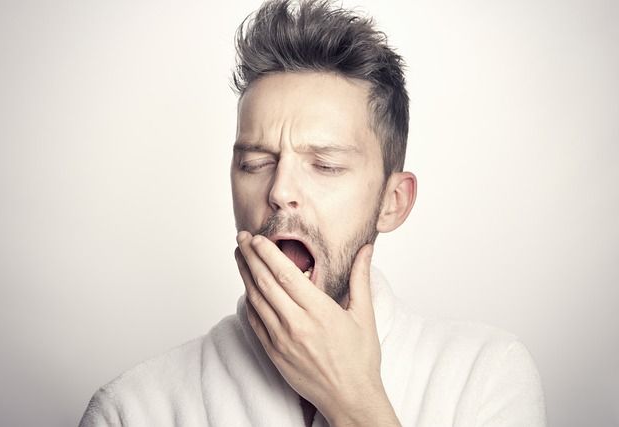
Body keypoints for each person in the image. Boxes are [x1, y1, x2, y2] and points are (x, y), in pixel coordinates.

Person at [79, 1, 546, 426]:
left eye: (325, 165)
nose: (280, 191)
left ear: (393, 202)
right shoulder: (131, 409)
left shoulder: (486, 378)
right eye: (255, 163)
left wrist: (352, 400)